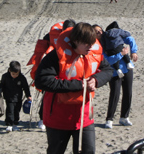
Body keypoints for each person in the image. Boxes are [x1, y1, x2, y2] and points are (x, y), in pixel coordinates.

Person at [35, 22, 113, 154]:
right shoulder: (56, 56)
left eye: (92, 43)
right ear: (76, 41)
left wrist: (96, 80)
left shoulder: (94, 53)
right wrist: (79, 84)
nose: (90, 46)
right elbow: (42, 81)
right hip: (58, 118)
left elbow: (108, 70)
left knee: (88, 151)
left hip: (84, 117)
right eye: (86, 43)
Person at [93, 22, 138, 129]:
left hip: (127, 69)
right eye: (96, 32)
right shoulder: (98, 46)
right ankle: (109, 119)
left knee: (128, 92)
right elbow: (107, 60)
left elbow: (130, 39)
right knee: (115, 94)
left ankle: (124, 117)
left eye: (100, 30)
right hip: (113, 72)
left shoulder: (112, 37)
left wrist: (133, 51)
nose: (99, 32)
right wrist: (120, 55)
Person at [0, 61, 32, 132]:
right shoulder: (5, 76)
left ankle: (15, 124)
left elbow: (26, 87)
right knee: (10, 111)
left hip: (18, 98)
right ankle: (9, 125)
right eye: (13, 74)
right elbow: (1, 84)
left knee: (17, 111)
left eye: (16, 74)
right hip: (9, 97)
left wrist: (28, 96)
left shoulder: (22, 78)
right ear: (9, 70)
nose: (15, 75)